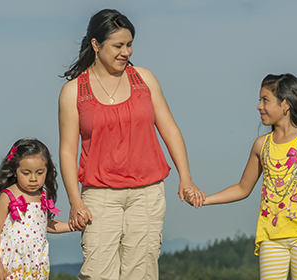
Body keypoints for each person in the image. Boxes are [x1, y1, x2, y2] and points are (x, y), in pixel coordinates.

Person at [58, 8, 204, 280]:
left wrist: (186, 177)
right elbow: (68, 151)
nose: (126, 52)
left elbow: (170, 129)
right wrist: (74, 199)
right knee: (98, 273)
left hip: (147, 194)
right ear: (95, 45)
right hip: (99, 197)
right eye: (118, 46)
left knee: (141, 273)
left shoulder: (145, 79)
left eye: (129, 45)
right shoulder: (73, 92)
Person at [186, 74, 297, 279]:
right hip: (270, 238)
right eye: (259, 100)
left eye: (265, 100)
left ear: (286, 104)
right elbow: (242, 188)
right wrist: (204, 199)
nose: (259, 107)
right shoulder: (261, 145)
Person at [0, 139, 71, 280]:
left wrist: (72, 226)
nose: (33, 179)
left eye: (39, 173)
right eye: (26, 173)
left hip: (34, 263)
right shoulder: (8, 196)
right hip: (10, 262)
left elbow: (46, 225)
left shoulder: (43, 196)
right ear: (15, 171)